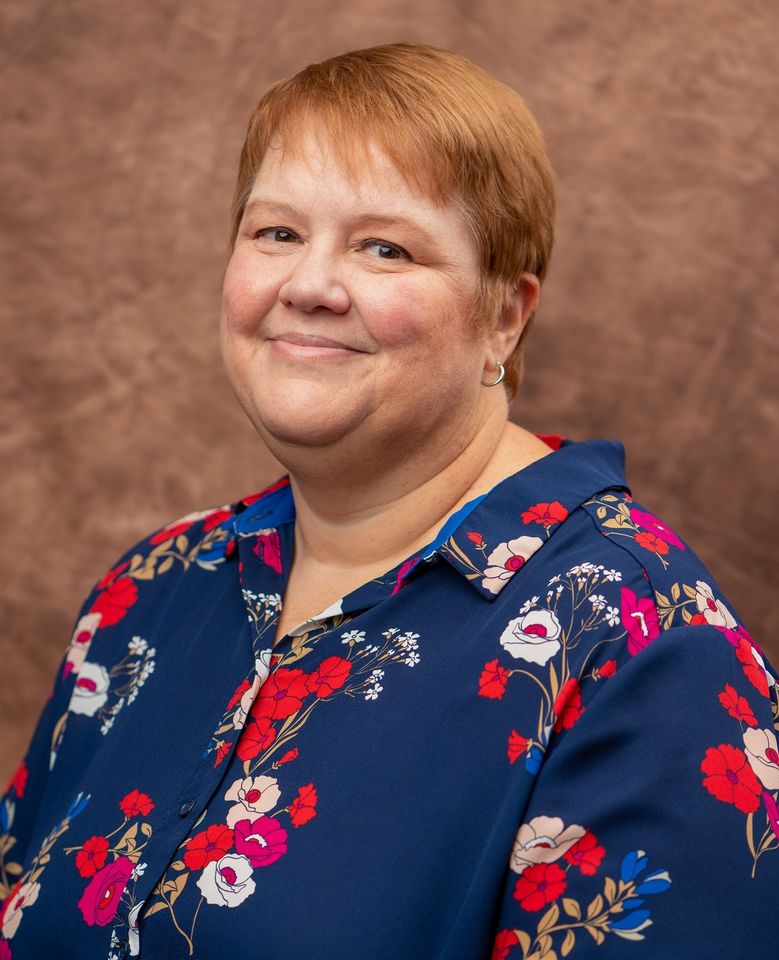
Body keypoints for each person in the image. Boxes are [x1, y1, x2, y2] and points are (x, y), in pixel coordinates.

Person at [0, 42, 776, 960]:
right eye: (277, 232)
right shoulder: (151, 590)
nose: (310, 286)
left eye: (384, 247)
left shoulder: (641, 647)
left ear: (504, 316)